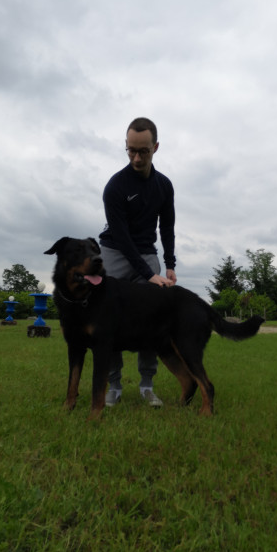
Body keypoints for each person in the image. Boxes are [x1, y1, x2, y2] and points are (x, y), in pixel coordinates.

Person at [99, 117, 177, 408]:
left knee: (151, 316)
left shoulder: (164, 186)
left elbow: (166, 227)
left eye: (143, 151)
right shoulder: (115, 187)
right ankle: (114, 386)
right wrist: (148, 273)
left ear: (155, 147)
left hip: (146, 252)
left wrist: (169, 264)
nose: (136, 158)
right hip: (114, 252)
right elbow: (121, 238)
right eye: (131, 150)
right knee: (107, 317)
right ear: (126, 146)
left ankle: (147, 386)